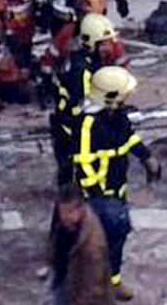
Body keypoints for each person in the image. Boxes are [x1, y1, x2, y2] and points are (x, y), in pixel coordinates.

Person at [72, 66, 161, 300]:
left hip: (116, 190)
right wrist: (99, 196)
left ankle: (112, 281)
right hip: (95, 197)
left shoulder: (117, 116)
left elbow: (128, 137)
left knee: (117, 239)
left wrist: (146, 156)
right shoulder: (88, 124)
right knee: (91, 243)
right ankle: (87, 289)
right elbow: (83, 163)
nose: (126, 99)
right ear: (109, 97)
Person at [51, 13, 126, 187]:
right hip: (73, 128)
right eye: (105, 43)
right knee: (80, 172)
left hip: (68, 124)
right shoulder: (82, 71)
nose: (110, 47)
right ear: (92, 43)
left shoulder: (86, 61)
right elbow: (87, 106)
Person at [47, 185, 113, 305]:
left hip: (79, 287)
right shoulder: (67, 219)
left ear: (79, 209)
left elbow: (92, 291)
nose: (63, 217)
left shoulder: (93, 245)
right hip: (67, 276)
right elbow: (55, 237)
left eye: (68, 213)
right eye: (61, 212)